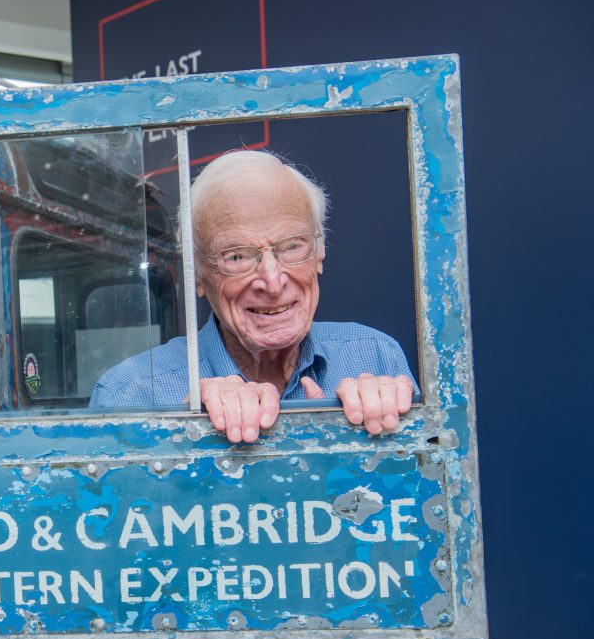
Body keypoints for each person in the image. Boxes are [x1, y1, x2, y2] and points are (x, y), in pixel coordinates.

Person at [90, 149, 416, 442]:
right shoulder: (130, 394)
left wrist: (376, 438)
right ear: (197, 276)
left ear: (319, 254)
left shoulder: (377, 358)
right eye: (236, 257)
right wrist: (185, 441)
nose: (272, 282)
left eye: (292, 247)